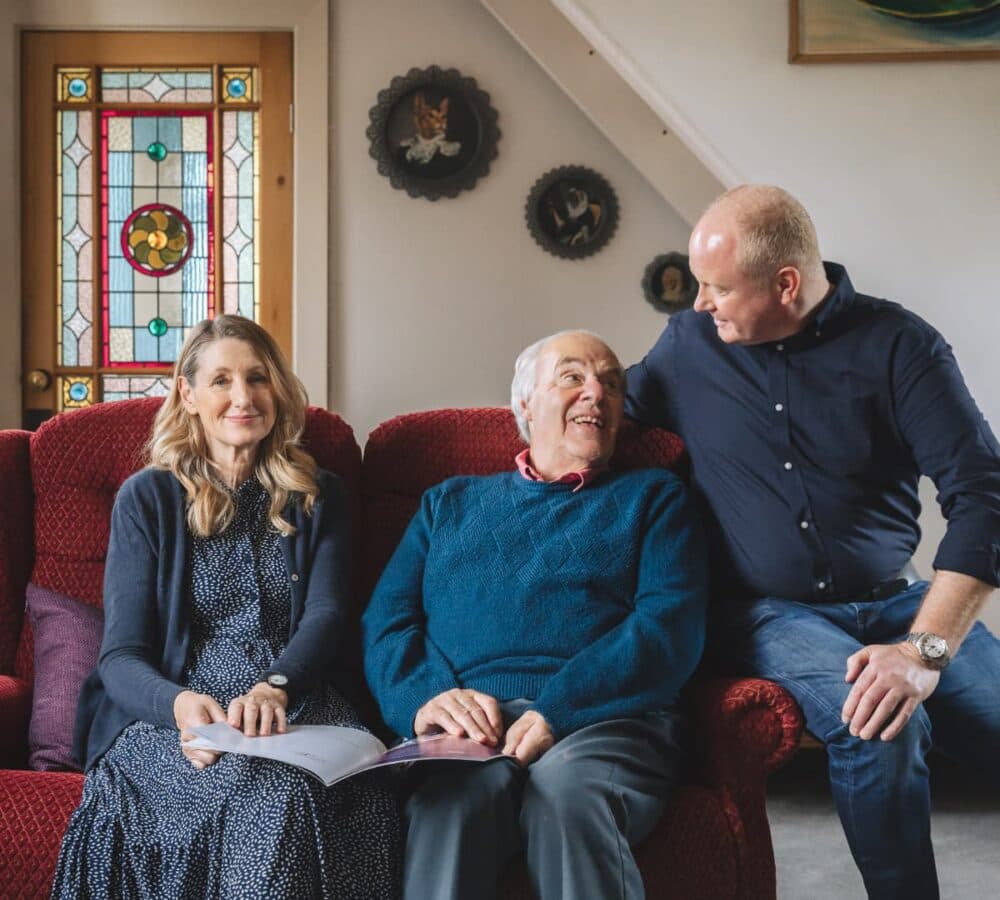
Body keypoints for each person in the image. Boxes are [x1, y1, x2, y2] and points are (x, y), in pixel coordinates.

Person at [626, 184, 1000, 900]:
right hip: (768, 613)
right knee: (879, 724)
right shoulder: (687, 347)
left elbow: (985, 497)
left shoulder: (902, 346)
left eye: (717, 287)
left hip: (901, 603)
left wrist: (924, 652)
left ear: (786, 283)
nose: (700, 303)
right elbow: (606, 425)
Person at [52, 315, 400, 899]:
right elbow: (121, 657)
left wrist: (275, 687)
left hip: (298, 694)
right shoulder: (148, 498)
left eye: (258, 378)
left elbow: (328, 616)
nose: (243, 397)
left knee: (326, 790)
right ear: (187, 394)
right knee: (261, 793)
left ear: (278, 390)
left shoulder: (320, 493)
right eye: (221, 381)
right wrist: (183, 707)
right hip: (175, 711)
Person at [362, 330, 707, 900]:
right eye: (572, 377)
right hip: (471, 727)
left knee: (567, 793)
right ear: (524, 403)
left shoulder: (656, 498)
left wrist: (556, 710)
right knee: (450, 804)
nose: (596, 392)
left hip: (609, 720)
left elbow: (668, 629)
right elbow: (387, 622)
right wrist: (427, 697)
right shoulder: (447, 504)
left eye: (611, 383)